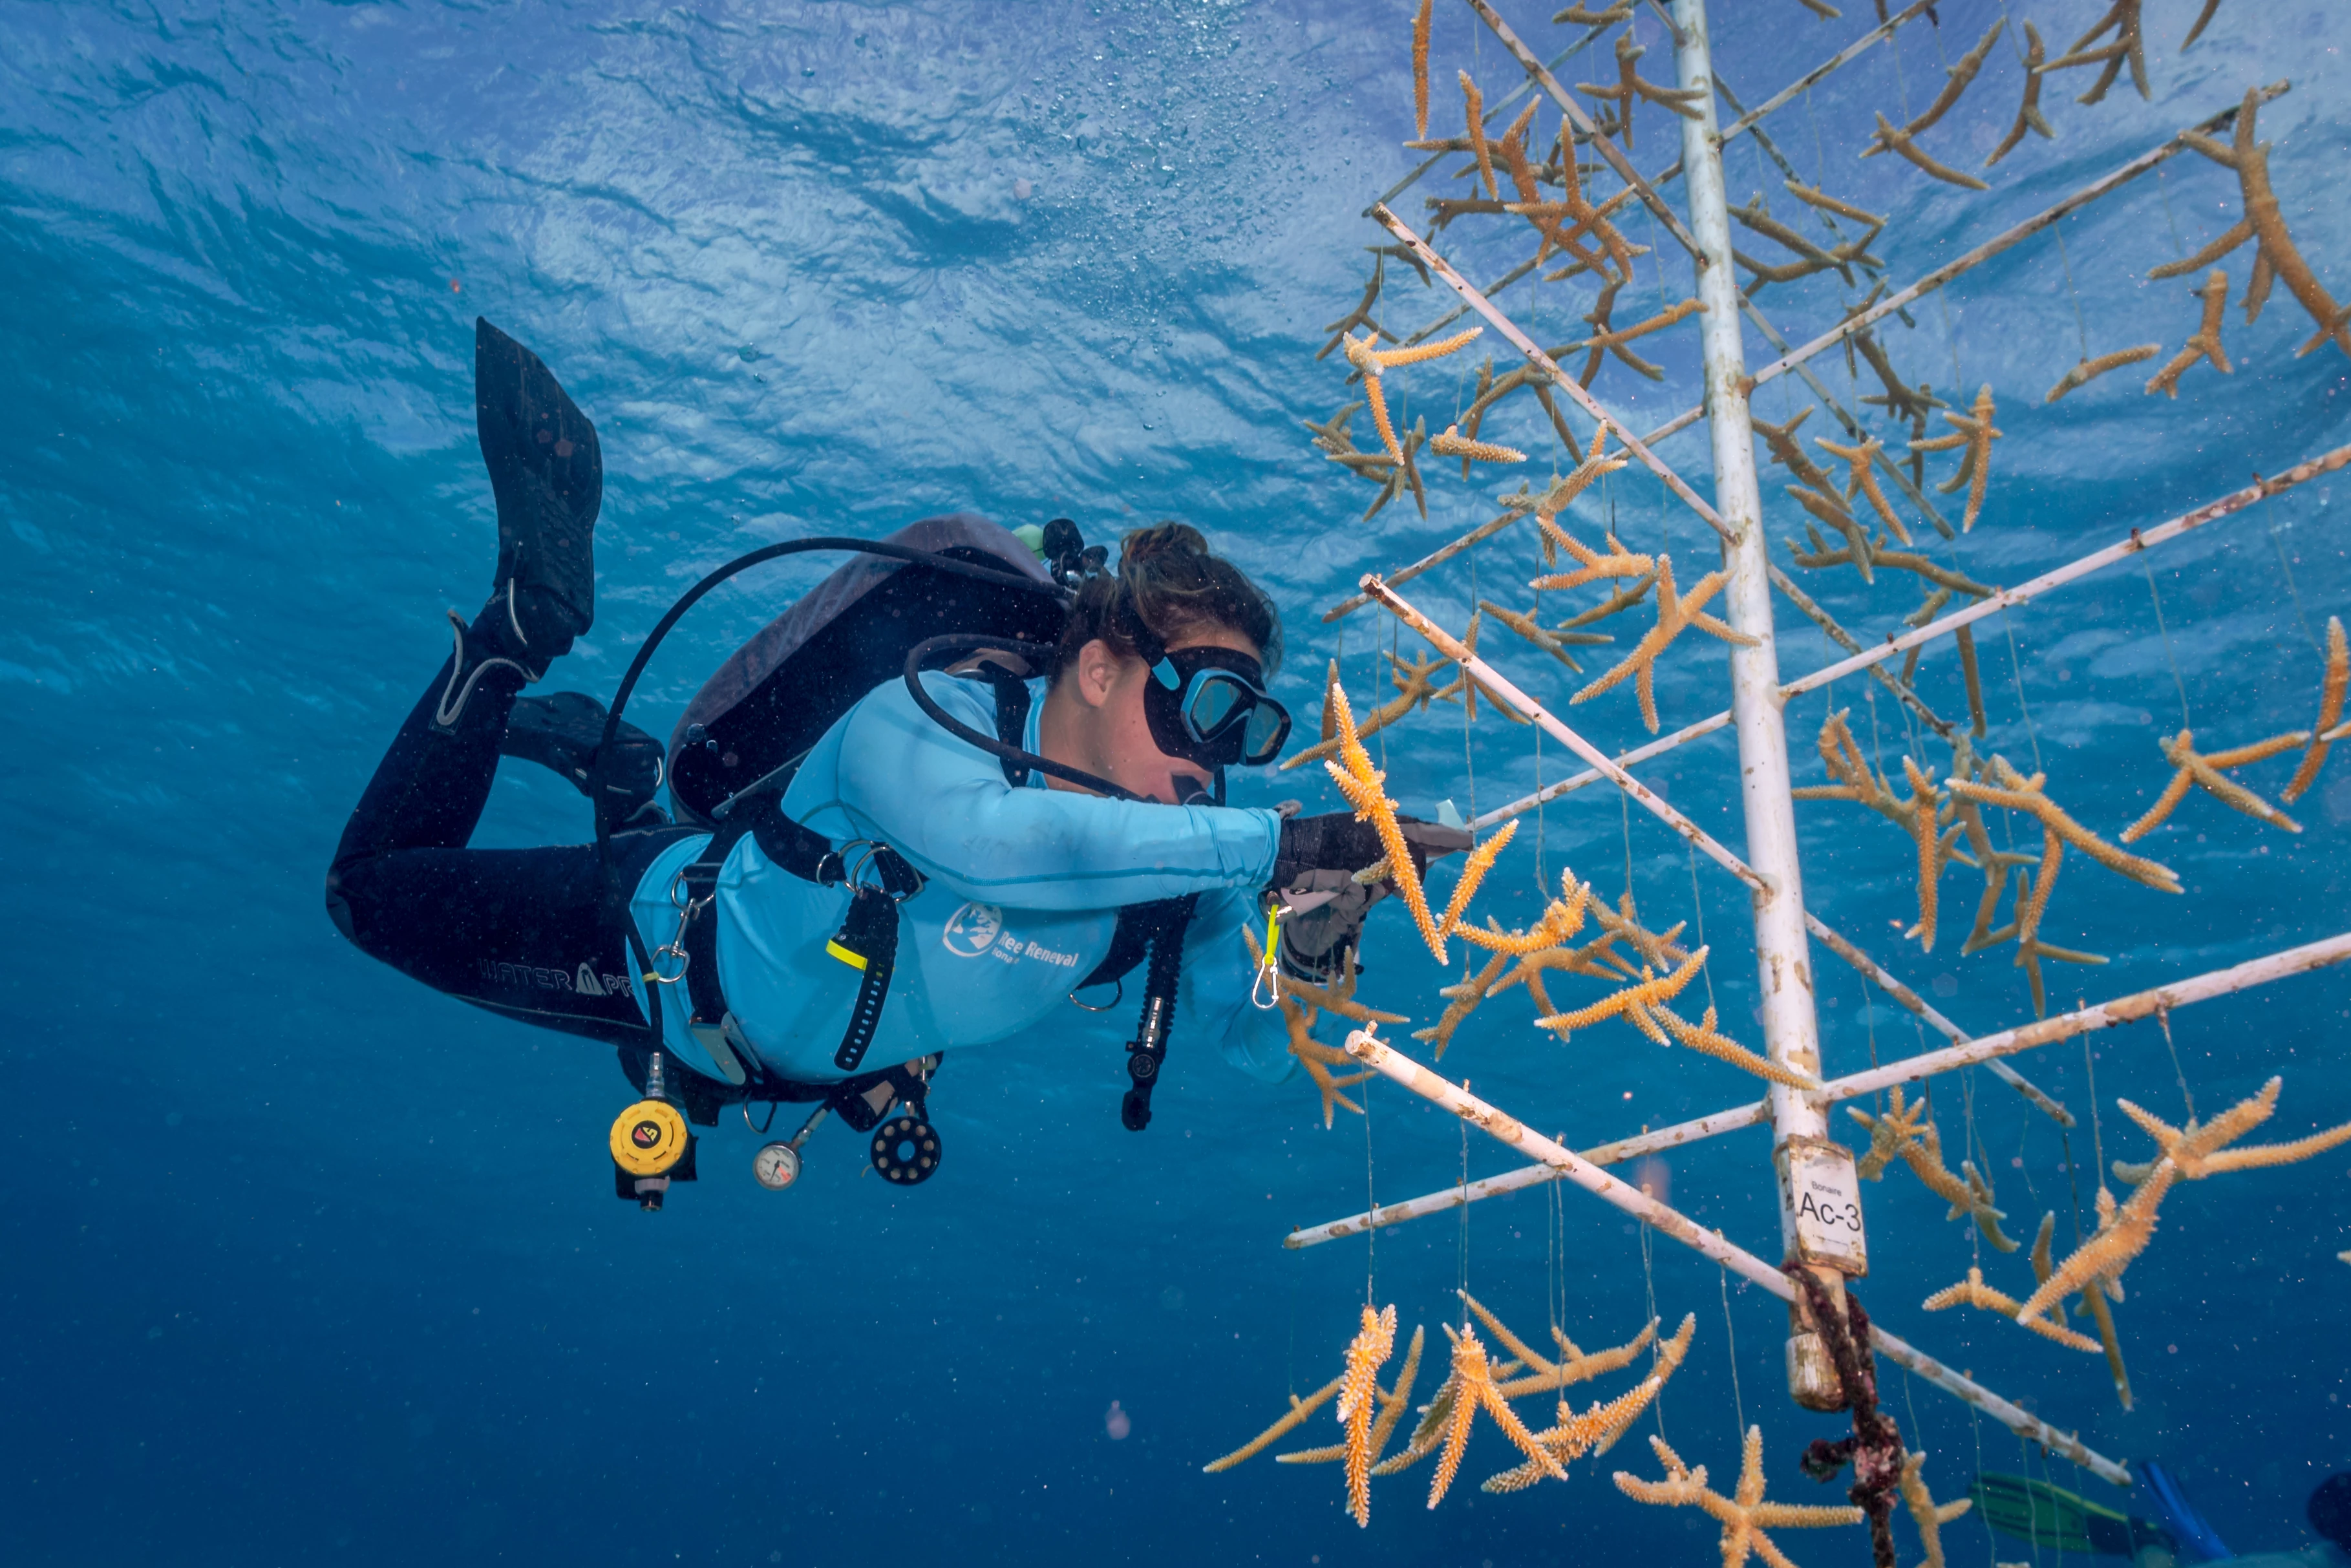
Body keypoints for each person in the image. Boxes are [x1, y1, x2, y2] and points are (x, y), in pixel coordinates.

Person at [324, 319, 1465, 1198]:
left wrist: (1307, 953)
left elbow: (1257, 1048)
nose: (1220, 762)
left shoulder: (1186, 869)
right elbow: (1001, 843)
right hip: (659, 948)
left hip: (799, 1066)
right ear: (1106, 669)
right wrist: (1288, 838)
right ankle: (522, 625)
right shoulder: (915, 721)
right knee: (366, 897)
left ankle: (623, 776)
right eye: (1212, 707)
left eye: (1252, 736)